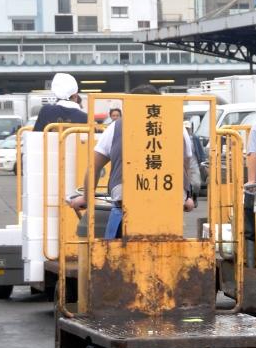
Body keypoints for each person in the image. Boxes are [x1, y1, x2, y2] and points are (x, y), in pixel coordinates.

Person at [69, 85, 195, 238]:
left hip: (125, 204)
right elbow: (186, 165)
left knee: (112, 255)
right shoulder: (178, 127)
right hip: (169, 203)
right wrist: (186, 197)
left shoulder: (116, 127)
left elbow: (93, 166)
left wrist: (86, 198)